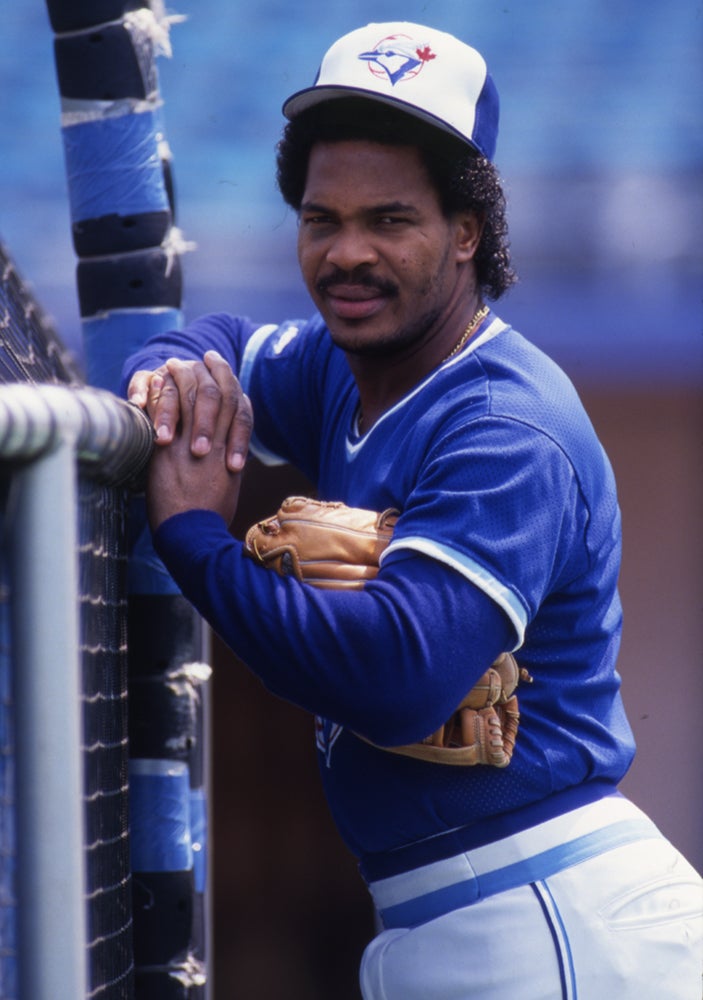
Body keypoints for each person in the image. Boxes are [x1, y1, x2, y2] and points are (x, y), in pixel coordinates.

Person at [124, 22, 702, 999]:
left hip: (550, 914)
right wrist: (169, 386)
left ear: (466, 230)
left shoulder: (504, 424)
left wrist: (196, 542)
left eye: (389, 220)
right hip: (455, 916)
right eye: (322, 220)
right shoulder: (343, 369)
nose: (347, 254)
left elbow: (396, 675)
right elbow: (208, 339)